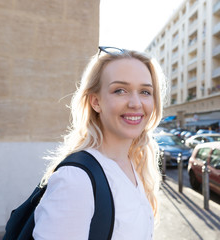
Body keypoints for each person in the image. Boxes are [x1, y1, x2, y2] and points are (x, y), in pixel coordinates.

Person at [33, 47, 166, 239]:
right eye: (120, 90)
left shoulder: (134, 164)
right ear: (96, 102)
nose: (136, 103)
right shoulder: (76, 179)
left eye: (145, 91)